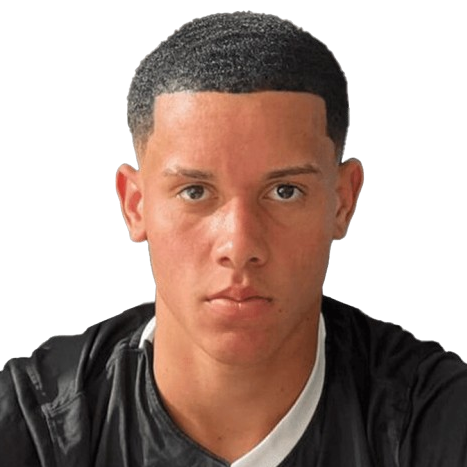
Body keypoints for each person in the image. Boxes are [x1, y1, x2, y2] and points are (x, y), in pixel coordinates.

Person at [1, 11, 466, 467]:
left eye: (285, 191)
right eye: (195, 191)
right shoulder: (32, 422)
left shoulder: (434, 415)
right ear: (135, 205)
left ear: (342, 202)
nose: (239, 247)